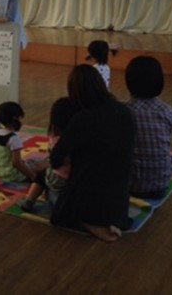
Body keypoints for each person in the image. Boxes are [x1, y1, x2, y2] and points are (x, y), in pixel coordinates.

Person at [50, 64, 136, 242]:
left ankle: (90, 223)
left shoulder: (83, 119)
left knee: (54, 198)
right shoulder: (125, 112)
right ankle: (110, 222)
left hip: (90, 197)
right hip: (120, 196)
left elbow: (55, 159)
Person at [125, 56, 172, 199]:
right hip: (162, 182)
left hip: (131, 184)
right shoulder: (167, 111)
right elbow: (167, 140)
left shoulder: (124, 111)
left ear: (129, 82)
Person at [18, 97, 79, 212]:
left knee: (40, 178)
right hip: (66, 179)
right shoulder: (72, 139)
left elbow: (53, 158)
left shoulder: (53, 135)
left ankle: (29, 200)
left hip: (53, 176)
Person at [0, 101, 45, 182]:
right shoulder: (13, 138)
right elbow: (17, 163)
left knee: (29, 161)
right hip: (12, 175)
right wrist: (32, 175)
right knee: (39, 165)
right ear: (15, 119)